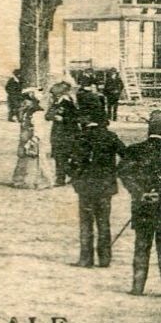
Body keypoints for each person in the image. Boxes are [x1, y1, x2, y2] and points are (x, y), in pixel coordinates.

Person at [66, 112, 126, 268]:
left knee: (86, 223)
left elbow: (70, 163)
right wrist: (115, 172)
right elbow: (127, 156)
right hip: (105, 186)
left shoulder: (80, 137)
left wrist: (75, 177)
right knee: (104, 222)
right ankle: (105, 258)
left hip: (85, 186)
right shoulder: (111, 137)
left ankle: (86, 258)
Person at [116, 113, 161, 295]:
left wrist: (140, 193)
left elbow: (124, 173)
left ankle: (137, 286)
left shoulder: (135, 150)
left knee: (141, 245)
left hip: (142, 205)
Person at [11, 88, 53, 189]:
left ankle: (46, 181)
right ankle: (19, 180)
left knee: (40, 160)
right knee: (23, 158)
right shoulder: (26, 112)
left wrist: (33, 140)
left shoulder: (37, 113)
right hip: (25, 137)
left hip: (34, 139)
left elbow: (39, 129)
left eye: (26, 100)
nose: (23, 103)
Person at [47, 81, 80, 186]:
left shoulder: (68, 103)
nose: (53, 96)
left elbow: (76, 118)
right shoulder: (55, 103)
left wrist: (63, 118)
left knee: (67, 155)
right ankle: (61, 179)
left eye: (55, 94)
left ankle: (73, 176)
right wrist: (52, 116)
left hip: (69, 132)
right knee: (58, 156)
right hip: (57, 132)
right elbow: (47, 115)